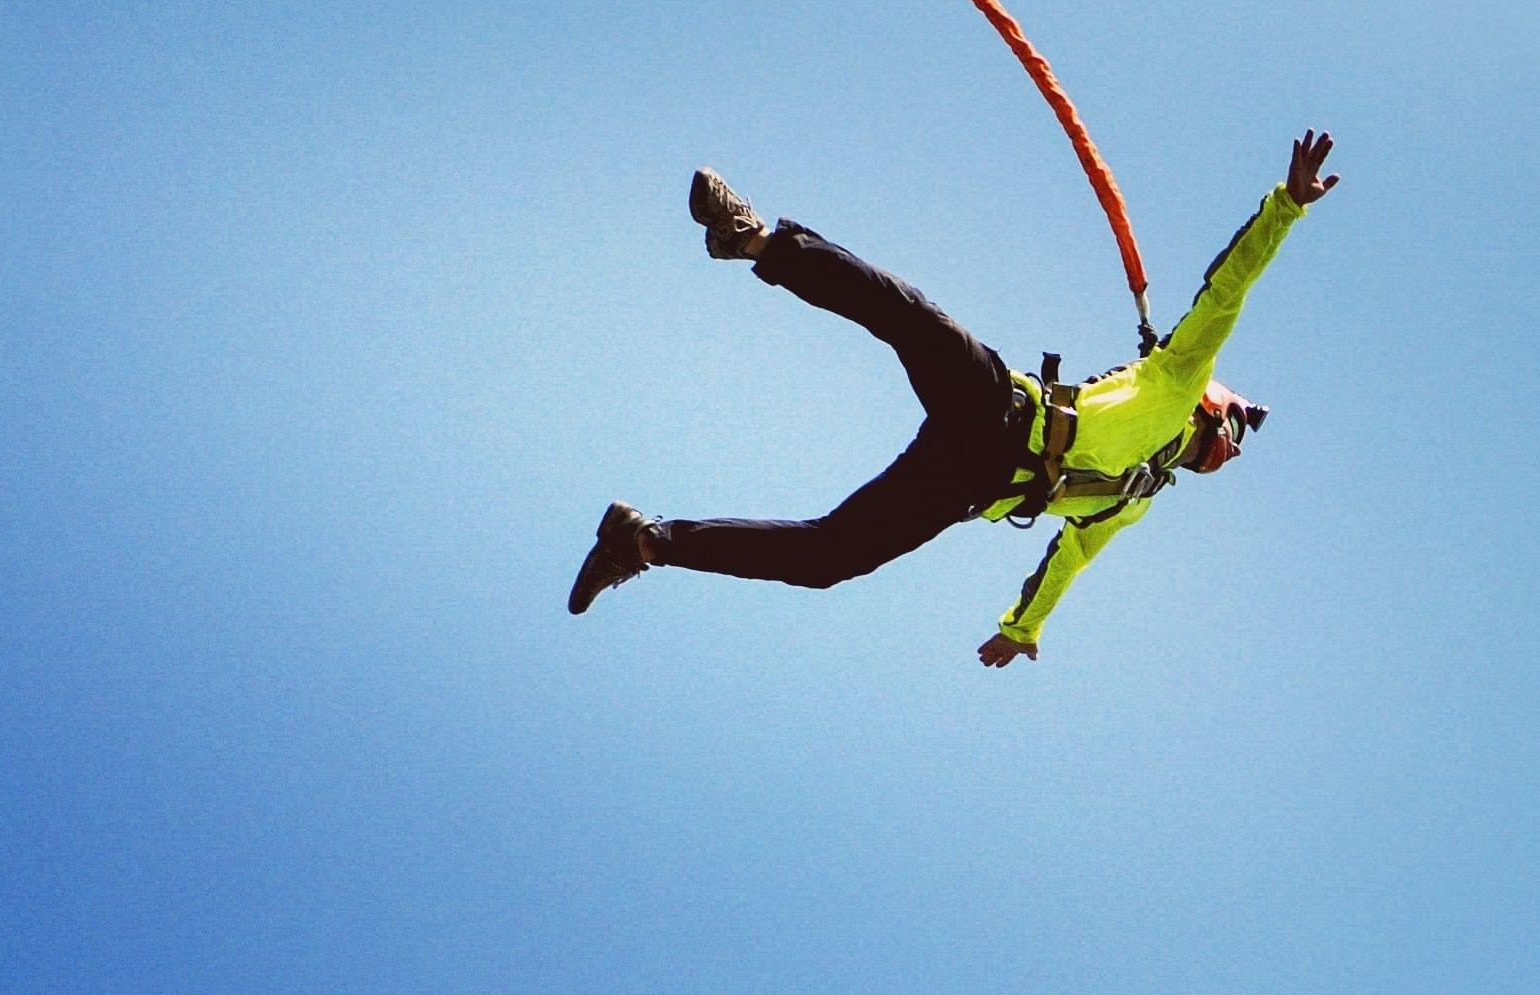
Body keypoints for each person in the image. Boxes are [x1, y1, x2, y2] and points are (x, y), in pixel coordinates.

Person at [569, 131, 1340, 664]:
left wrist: (1020, 628)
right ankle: (754, 240)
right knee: (911, 318)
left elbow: (1065, 561)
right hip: (1001, 406)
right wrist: (1286, 206)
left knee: (830, 558)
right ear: (1213, 399)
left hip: (970, 485)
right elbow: (1228, 290)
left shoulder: (1134, 500)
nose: (1237, 438)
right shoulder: (1176, 376)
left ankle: (646, 542)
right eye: (1239, 418)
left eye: (1243, 436)